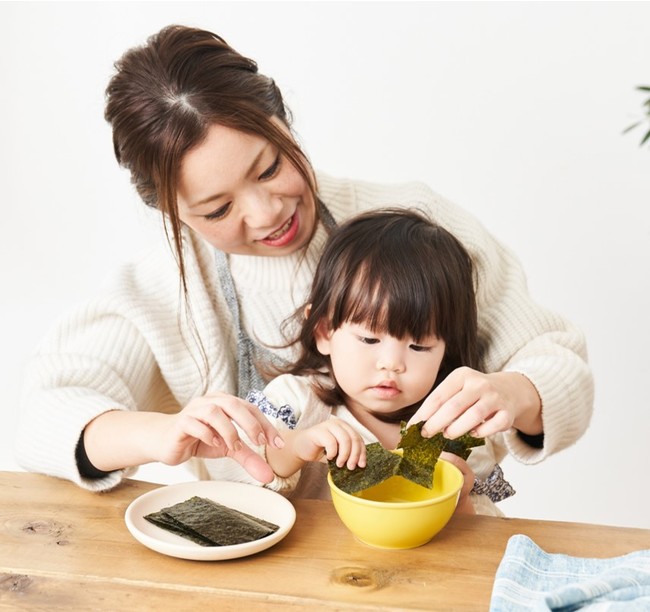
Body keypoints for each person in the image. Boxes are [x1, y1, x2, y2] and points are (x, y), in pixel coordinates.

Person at [14, 25, 593, 494]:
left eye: (269, 168)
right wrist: (160, 433)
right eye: (217, 209)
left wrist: (515, 392)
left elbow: (559, 364)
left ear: (283, 120)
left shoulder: (415, 222)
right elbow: (41, 415)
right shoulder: (165, 285)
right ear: (174, 215)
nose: (267, 213)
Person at [212, 208, 514, 515]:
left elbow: (479, 537)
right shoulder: (299, 401)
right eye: (370, 339)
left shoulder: (453, 423)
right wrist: (298, 446)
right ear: (324, 331)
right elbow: (242, 470)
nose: (392, 364)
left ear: (445, 350)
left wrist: (457, 496)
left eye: (419, 346)